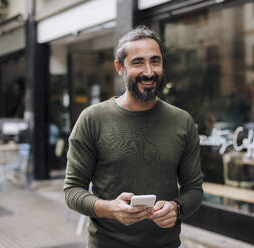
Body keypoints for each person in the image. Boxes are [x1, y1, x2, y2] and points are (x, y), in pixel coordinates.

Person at [64, 26, 203, 248]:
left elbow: (194, 190)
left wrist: (177, 208)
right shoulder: (92, 119)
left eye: (155, 61)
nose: (149, 71)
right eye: (138, 62)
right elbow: (72, 190)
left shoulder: (182, 121)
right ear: (120, 67)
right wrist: (109, 208)